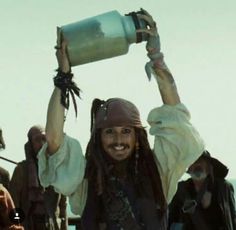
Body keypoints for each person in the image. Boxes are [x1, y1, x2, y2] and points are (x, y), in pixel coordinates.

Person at [37, 9, 204, 229]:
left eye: (126, 131)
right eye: (109, 131)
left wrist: (157, 58)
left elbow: (176, 119)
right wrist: (63, 76)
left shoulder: (159, 172)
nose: (118, 140)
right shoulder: (85, 180)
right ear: (98, 137)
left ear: (138, 136)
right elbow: (54, 140)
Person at [9, 126, 67, 230]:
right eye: (37, 140)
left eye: (44, 139)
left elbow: (62, 207)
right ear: (31, 144)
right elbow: (13, 206)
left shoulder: (57, 170)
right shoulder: (21, 170)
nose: (41, 144)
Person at [168, 150, 236, 230]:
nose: (196, 164)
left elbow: (232, 219)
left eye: (200, 161)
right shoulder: (180, 190)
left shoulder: (223, 188)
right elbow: (170, 219)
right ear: (188, 168)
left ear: (209, 167)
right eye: (193, 161)